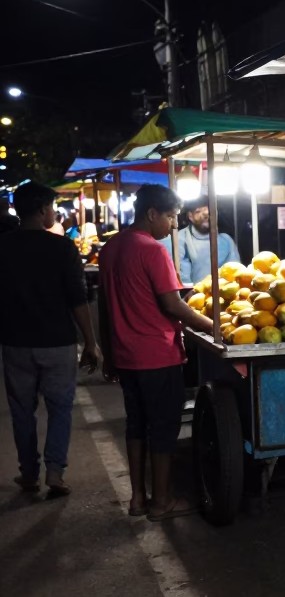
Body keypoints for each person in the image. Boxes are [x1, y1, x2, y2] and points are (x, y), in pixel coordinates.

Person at [99, 184, 215, 520]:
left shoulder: (111, 247)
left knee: (136, 426)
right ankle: (161, 502)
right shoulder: (152, 250)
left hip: (125, 356)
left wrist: (108, 353)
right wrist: (213, 326)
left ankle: (137, 499)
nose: (174, 224)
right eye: (171, 216)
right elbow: (173, 304)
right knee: (163, 427)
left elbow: (106, 308)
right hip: (156, 355)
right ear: (152, 214)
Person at [0, 183, 100, 496]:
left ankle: (29, 472)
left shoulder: (3, 246)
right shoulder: (62, 248)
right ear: (43, 209)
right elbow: (78, 299)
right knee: (60, 409)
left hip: (16, 342)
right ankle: (54, 473)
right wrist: (91, 342)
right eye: (53, 208)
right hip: (58, 342)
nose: (54, 213)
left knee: (22, 411)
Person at [164, 196, 239, 285]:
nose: (206, 214)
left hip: (222, 293)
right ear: (190, 216)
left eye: (209, 211)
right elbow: (183, 277)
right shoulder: (180, 239)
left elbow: (235, 272)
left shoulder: (226, 241)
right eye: (198, 211)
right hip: (192, 295)